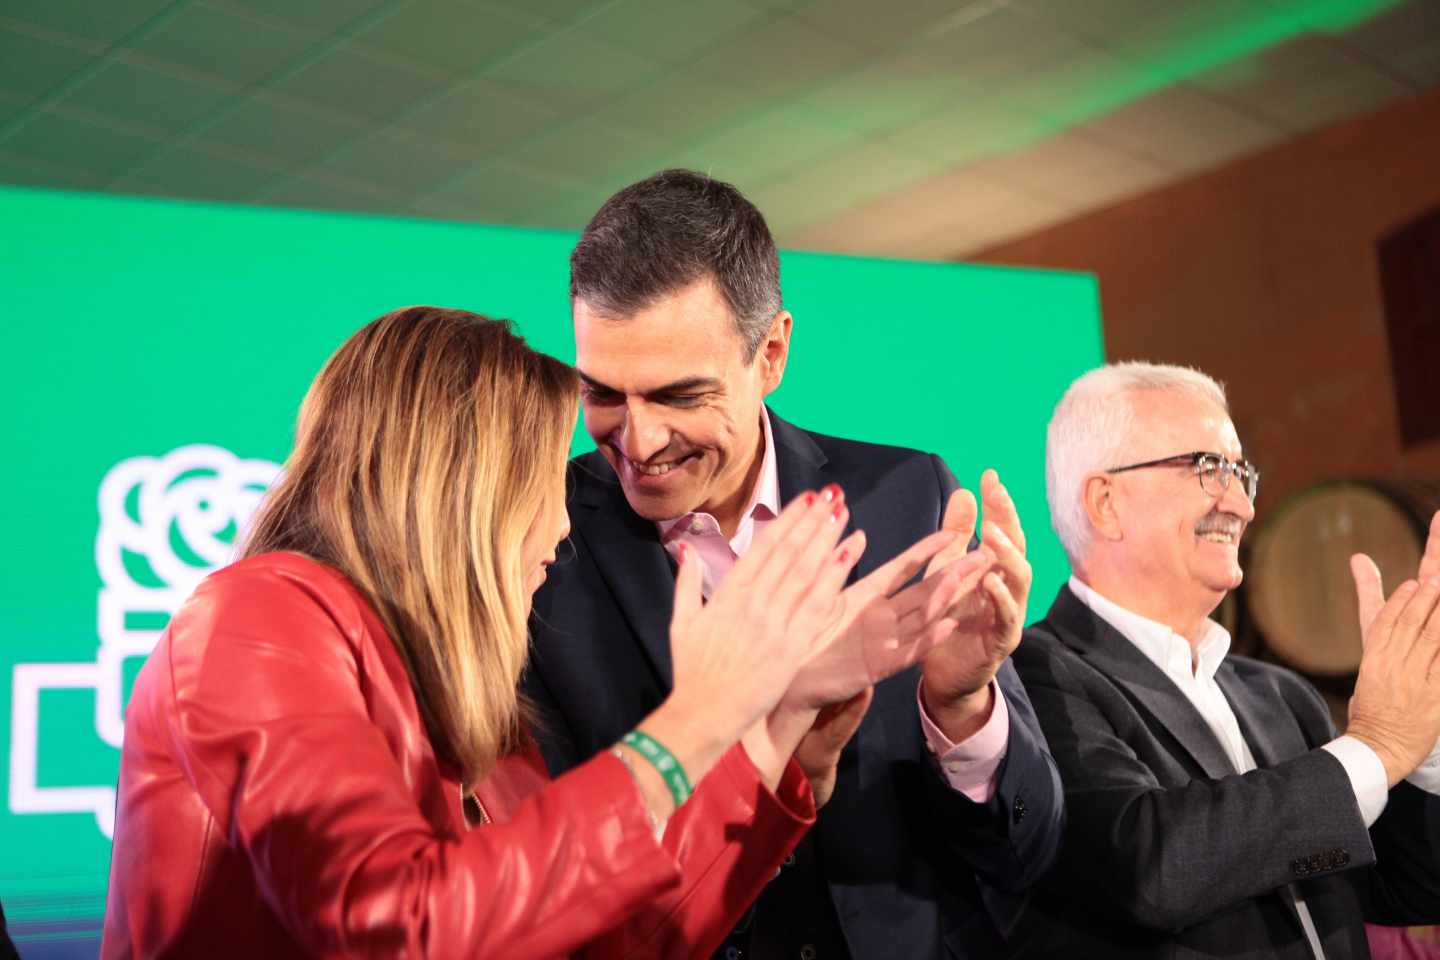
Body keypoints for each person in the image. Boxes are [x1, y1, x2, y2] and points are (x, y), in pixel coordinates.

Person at [100, 307, 975, 959]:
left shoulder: (473, 707)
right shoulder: (255, 623)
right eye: (542, 485)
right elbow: (399, 929)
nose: (562, 527)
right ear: (459, 494)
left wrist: (786, 729)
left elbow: (613, 943)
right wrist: (696, 717)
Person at [525, 169, 1064, 959]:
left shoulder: (908, 500)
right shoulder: (541, 541)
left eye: (678, 396)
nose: (636, 445)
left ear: (771, 352)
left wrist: (962, 705)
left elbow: (1028, 853)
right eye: (603, 393)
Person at [1009, 361, 1440, 959]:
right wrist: (1376, 748)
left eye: (1242, 473)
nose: (1241, 505)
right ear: (1105, 502)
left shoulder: (1278, 695)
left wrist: (1425, 746)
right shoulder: (1029, 677)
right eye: (1209, 469)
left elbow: (1407, 892)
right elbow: (1150, 869)